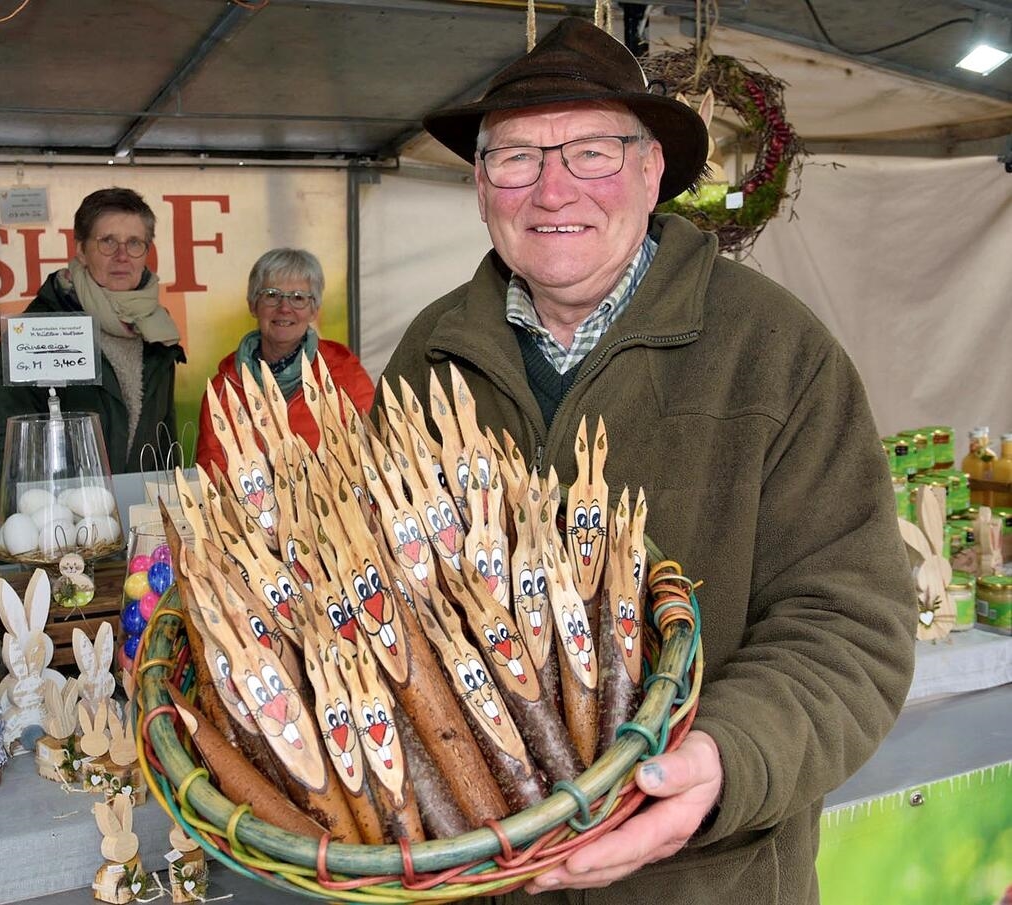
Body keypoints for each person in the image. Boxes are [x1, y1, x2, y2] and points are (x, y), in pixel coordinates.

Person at [382, 18, 915, 904]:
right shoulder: (427, 358)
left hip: (708, 883)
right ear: (480, 187)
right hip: (476, 879)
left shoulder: (778, 352)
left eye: (591, 151)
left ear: (651, 169)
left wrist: (721, 759)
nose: (552, 188)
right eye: (515, 157)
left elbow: (851, 624)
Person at [0, 188, 185, 483]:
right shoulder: (38, 329)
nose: (122, 256)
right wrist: (54, 512)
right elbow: (5, 443)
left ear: (147, 251)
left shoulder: (159, 332)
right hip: (69, 521)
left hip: (145, 517)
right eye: (108, 242)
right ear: (81, 249)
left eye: (134, 243)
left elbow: (167, 444)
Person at [194, 247, 374, 478]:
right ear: (252, 304)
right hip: (254, 511)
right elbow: (213, 478)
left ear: (314, 310)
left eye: (298, 298)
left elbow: (371, 462)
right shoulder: (223, 390)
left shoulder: (346, 377)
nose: (285, 308)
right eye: (272, 295)